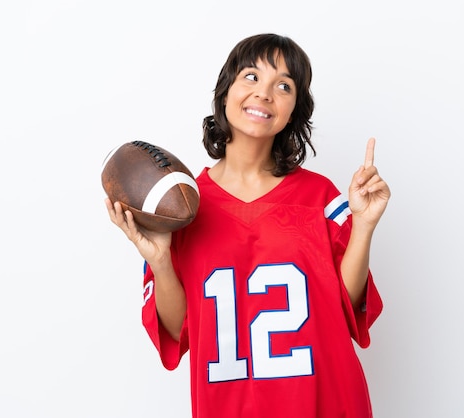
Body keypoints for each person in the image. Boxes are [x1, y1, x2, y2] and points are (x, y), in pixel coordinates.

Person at [105, 33, 391, 418]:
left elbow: (347, 302)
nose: (265, 93)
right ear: (226, 92)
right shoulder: (180, 209)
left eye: (284, 85)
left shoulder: (321, 196)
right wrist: (160, 260)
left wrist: (364, 226)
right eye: (252, 77)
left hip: (327, 402)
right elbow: (177, 331)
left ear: (295, 110)